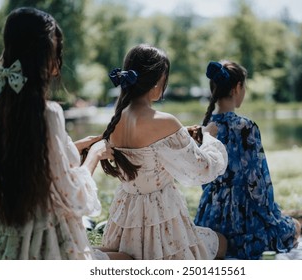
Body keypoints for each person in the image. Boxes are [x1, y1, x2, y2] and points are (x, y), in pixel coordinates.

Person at [0, 7, 123, 260]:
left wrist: (73, 146)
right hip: (49, 243)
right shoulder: (49, 112)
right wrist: (94, 156)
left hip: (8, 239)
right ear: (46, 58)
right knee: (129, 259)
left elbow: (34, 155)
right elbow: (72, 196)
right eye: (56, 52)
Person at [97, 44, 228, 260]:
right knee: (221, 243)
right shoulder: (165, 121)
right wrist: (209, 137)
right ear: (158, 79)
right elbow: (202, 169)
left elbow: (149, 148)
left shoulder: (116, 119)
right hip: (161, 217)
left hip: (127, 218)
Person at [194, 61, 301, 260]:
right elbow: (258, 182)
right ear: (237, 88)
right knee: (294, 226)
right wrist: (271, 215)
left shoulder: (205, 127)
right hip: (245, 217)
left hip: (210, 215)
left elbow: (204, 178)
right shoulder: (246, 126)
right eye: (245, 86)